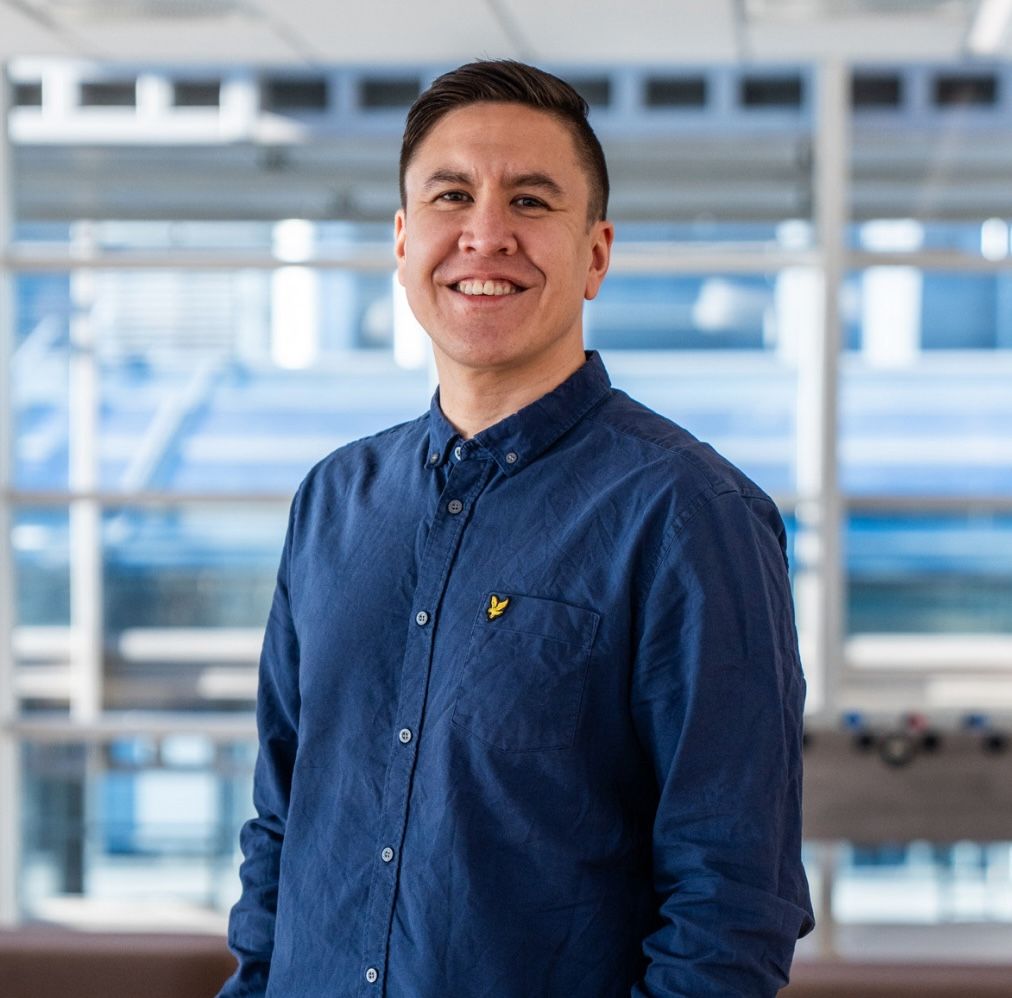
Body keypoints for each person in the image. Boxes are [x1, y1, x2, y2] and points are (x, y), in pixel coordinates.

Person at [219, 60, 814, 998]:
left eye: (531, 201)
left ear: (596, 255)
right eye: (451, 196)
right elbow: (283, 831)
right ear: (404, 239)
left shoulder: (690, 515)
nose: (486, 233)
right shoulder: (332, 501)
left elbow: (731, 902)